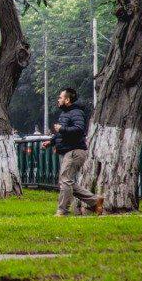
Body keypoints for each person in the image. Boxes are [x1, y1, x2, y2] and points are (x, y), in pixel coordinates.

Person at [41, 87, 104, 216]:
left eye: (60, 97)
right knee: (67, 181)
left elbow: (79, 129)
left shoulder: (76, 112)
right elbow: (62, 133)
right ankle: (95, 201)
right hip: (69, 151)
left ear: (67, 99)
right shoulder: (65, 113)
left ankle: (62, 211)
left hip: (75, 151)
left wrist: (62, 129)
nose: (58, 100)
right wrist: (51, 142)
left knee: (65, 181)